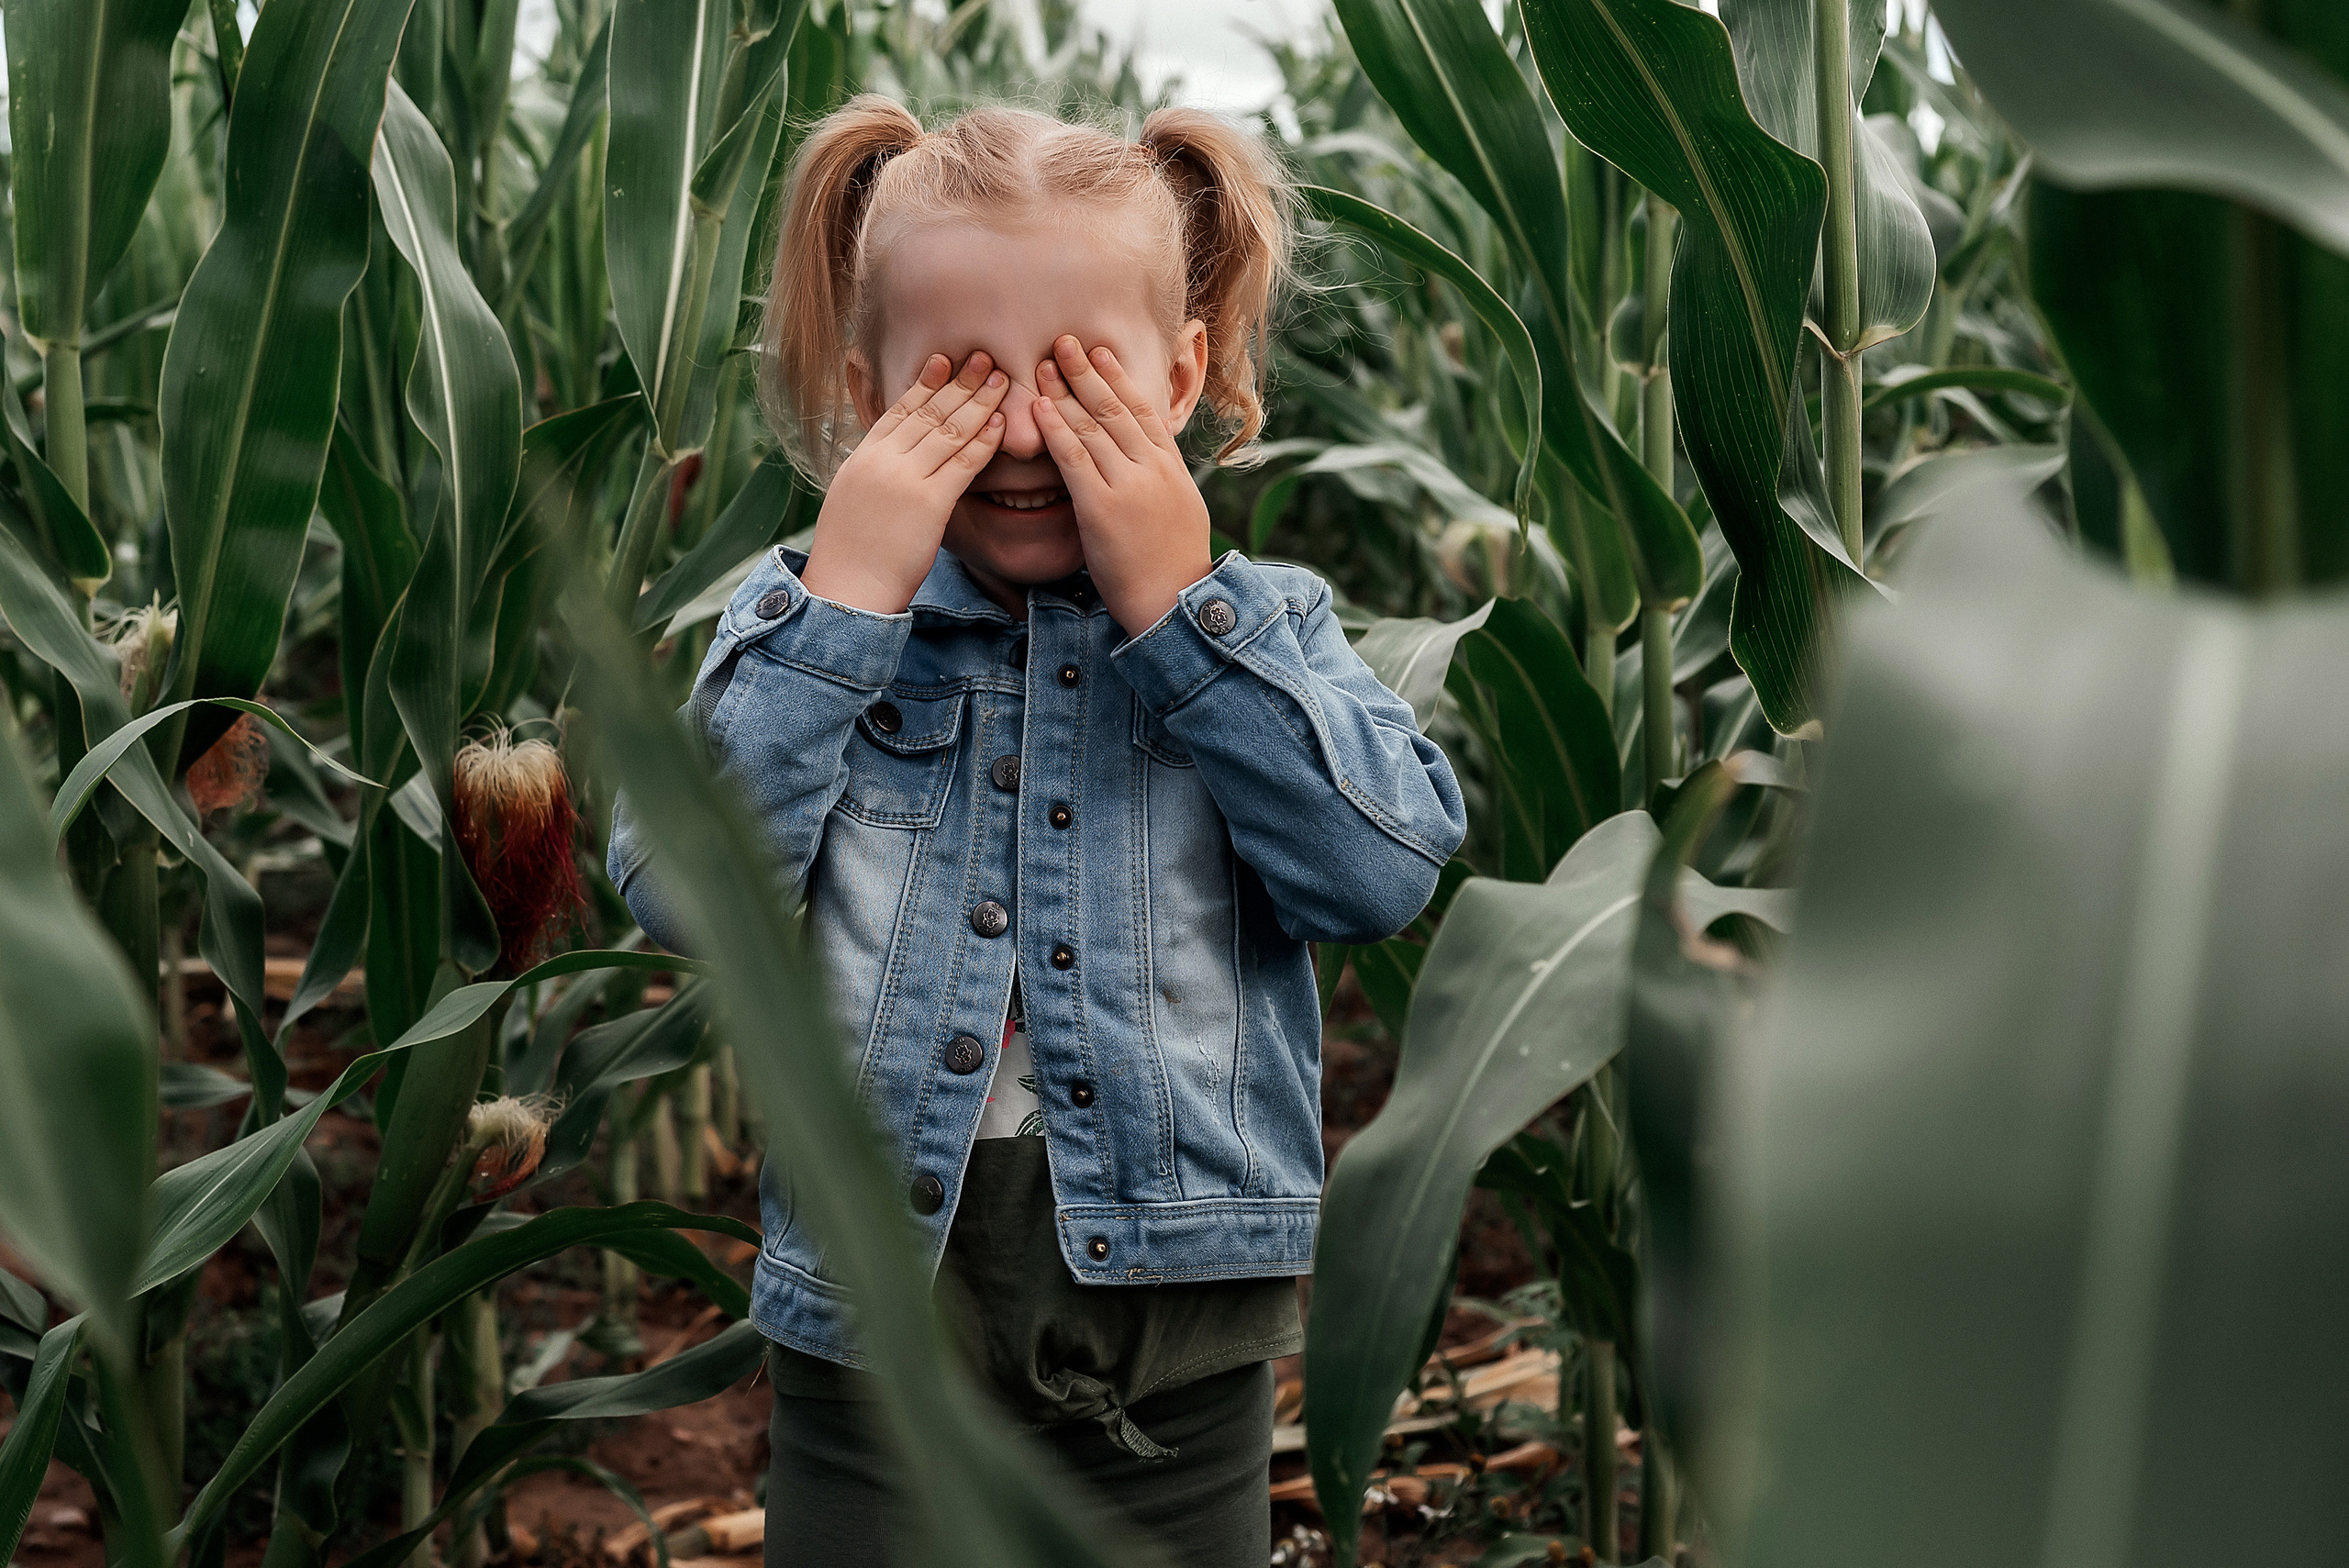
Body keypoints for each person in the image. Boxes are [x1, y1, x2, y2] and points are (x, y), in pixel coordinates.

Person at [607, 94, 1465, 1566]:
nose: (1014, 430)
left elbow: (1378, 870)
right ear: (869, 391)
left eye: (1075, 377)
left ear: (1185, 374)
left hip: (1171, 1355)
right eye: (952, 377)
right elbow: (679, 891)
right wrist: (843, 606)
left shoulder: (1264, 631)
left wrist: (1182, 620)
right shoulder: (801, 627)